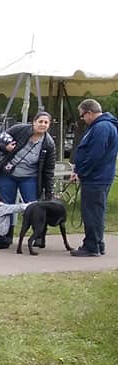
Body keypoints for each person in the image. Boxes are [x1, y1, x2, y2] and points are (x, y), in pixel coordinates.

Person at [70, 99, 118, 257]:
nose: (82, 119)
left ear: (89, 112)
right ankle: (98, 243)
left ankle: (91, 246)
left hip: (96, 177)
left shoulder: (102, 127)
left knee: (92, 213)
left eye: (82, 115)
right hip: (98, 176)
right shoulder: (102, 126)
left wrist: (81, 171)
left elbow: (95, 154)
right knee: (96, 211)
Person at [0, 112, 56, 204]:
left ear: (49, 125)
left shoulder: (49, 144)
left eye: (46, 122)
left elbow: (49, 170)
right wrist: (5, 147)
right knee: (7, 206)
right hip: (7, 174)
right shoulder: (20, 129)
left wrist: (49, 192)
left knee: (32, 207)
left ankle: (28, 218)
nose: (43, 124)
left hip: (30, 177)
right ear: (34, 122)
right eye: (40, 121)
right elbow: (0, 139)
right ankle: (7, 219)